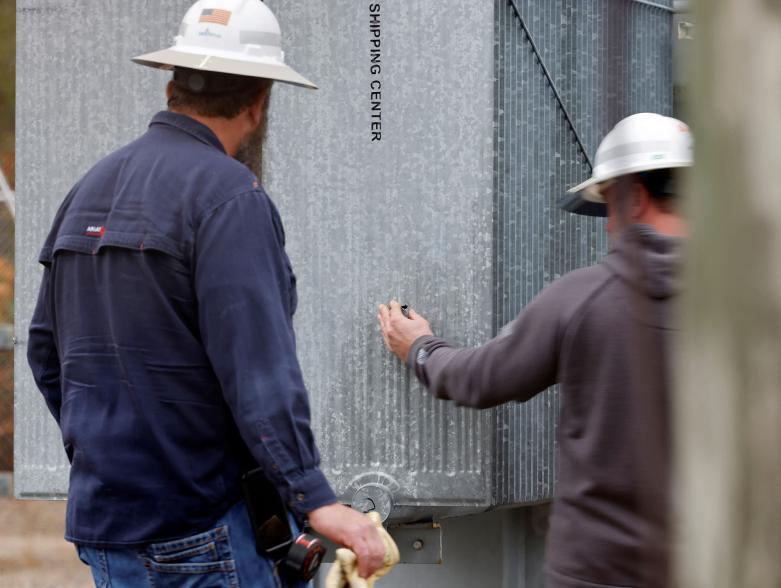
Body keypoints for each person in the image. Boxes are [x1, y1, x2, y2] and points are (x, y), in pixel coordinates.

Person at [26, 1, 385, 586]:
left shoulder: (88, 187)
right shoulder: (229, 196)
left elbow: (46, 352)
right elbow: (258, 372)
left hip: (108, 529)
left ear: (171, 85)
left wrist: (109, 456)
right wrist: (315, 497)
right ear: (260, 100)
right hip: (204, 534)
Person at [378, 113, 693, 588]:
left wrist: (420, 347)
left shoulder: (584, 300)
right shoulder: (751, 305)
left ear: (635, 195)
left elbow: (479, 378)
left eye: (609, 204)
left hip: (596, 571)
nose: (608, 226)